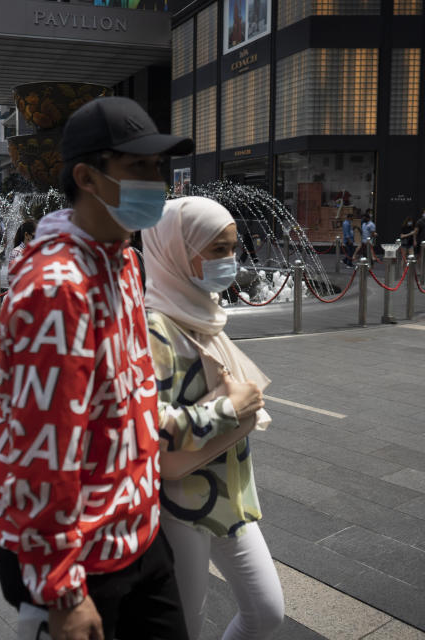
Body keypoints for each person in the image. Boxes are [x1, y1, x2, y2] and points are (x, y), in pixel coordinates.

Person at [0, 96, 193, 640]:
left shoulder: (124, 256)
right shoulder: (57, 289)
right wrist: (62, 591)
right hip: (79, 563)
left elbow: (131, 391)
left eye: (159, 167)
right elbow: (40, 452)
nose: (158, 181)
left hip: (139, 535)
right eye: (139, 167)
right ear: (87, 176)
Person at [143, 196, 284, 640]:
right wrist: (228, 409)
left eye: (233, 248)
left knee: (267, 612)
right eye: (218, 249)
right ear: (179, 252)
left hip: (229, 491)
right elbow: (151, 424)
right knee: (187, 626)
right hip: (180, 503)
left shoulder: (202, 314)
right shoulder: (154, 327)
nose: (230, 260)